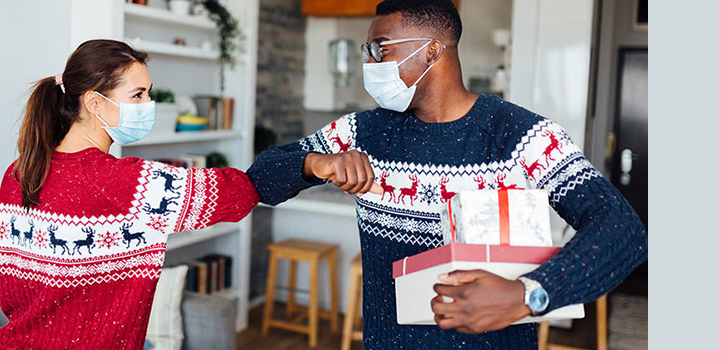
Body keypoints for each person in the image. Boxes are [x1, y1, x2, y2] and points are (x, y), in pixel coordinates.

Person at [246, 0, 647, 348]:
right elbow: (259, 179)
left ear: (432, 51)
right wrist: (314, 163)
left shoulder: (522, 136)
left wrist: (529, 295)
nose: (368, 64)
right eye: (366, 51)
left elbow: (622, 230)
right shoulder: (361, 132)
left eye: (378, 49)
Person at [0, 39, 259, 349]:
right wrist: (304, 162)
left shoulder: (18, 171)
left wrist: (37, 320)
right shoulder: (123, 180)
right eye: (137, 95)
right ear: (94, 103)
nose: (148, 105)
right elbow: (239, 193)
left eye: (148, 93)